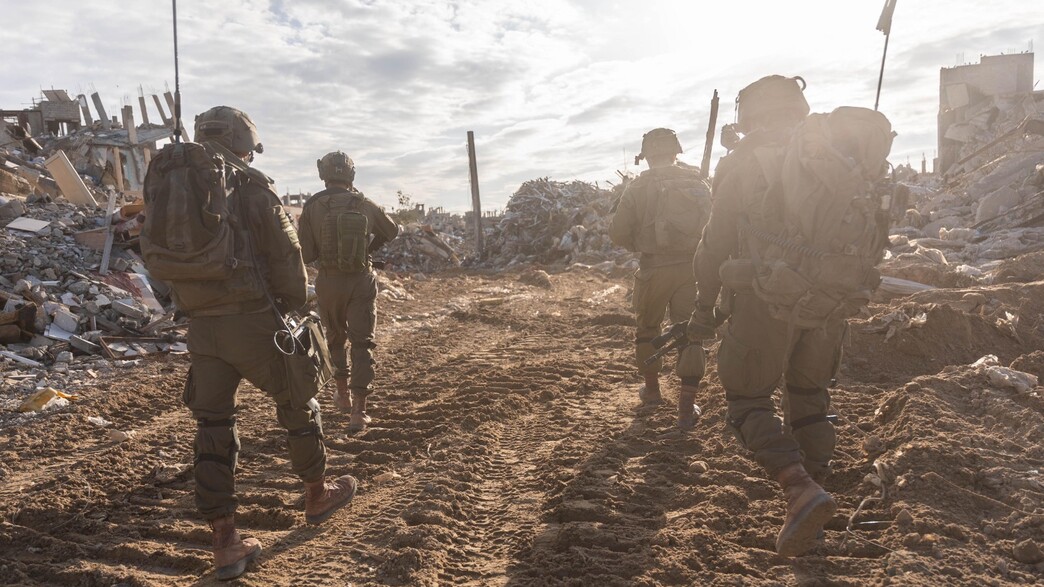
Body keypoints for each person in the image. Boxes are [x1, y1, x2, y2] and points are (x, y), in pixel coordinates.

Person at [164, 107, 358, 579]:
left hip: (202, 326)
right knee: (298, 399)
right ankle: (317, 494)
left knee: (212, 425)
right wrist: (294, 308)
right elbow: (289, 258)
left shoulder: (174, 185)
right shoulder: (251, 188)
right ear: (243, 143)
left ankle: (226, 541)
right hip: (254, 320)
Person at [688, 76, 839, 557]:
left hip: (763, 300)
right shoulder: (836, 158)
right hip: (830, 302)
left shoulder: (744, 162)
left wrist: (704, 305)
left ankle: (798, 489)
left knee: (747, 400)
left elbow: (715, 244)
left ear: (749, 116)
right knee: (810, 397)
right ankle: (813, 511)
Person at [609, 128, 710, 429]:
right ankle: (686, 407)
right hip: (693, 268)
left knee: (647, 329)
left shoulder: (639, 187)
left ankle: (652, 392)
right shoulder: (698, 181)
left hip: (653, 269)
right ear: (676, 151)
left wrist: (642, 245)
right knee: (691, 334)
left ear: (647, 155)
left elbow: (617, 233)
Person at [297, 151, 399, 433]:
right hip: (360, 280)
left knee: (335, 339)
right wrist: (366, 248)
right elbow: (392, 231)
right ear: (351, 175)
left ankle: (341, 394)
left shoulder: (313, 206)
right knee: (362, 343)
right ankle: (358, 412)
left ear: (323, 174)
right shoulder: (363, 202)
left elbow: (305, 253)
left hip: (329, 282)